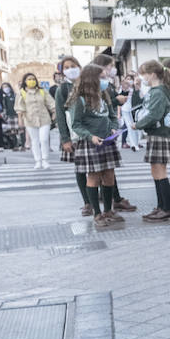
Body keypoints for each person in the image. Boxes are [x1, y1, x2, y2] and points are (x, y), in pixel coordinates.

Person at [69, 63, 124, 230]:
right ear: (91, 78)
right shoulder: (79, 99)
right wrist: (90, 136)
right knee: (94, 177)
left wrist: (114, 127)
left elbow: (112, 116)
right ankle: (97, 214)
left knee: (109, 176)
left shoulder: (103, 95)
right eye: (101, 77)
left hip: (107, 141)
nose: (105, 80)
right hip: (91, 143)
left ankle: (108, 211)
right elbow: (76, 124)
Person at [133, 59, 170, 222]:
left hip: (161, 135)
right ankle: (161, 206)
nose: (142, 78)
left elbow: (154, 114)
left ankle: (166, 208)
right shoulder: (158, 90)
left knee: (160, 172)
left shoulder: (159, 92)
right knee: (156, 171)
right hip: (157, 134)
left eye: (143, 74)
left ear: (152, 74)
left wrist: (137, 125)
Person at [93, 54, 137, 212]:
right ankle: (104, 204)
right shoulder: (96, 85)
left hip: (108, 129)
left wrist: (121, 95)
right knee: (100, 170)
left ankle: (114, 199)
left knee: (109, 168)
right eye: (110, 66)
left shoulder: (107, 84)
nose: (112, 69)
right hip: (98, 132)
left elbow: (109, 103)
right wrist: (117, 99)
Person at [55, 57, 95, 217]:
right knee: (80, 169)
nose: (70, 69)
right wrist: (65, 139)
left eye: (73, 66)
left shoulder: (88, 84)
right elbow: (60, 114)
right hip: (75, 134)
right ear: (62, 71)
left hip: (93, 131)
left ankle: (100, 197)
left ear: (79, 66)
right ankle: (87, 202)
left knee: (99, 168)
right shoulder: (63, 89)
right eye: (66, 67)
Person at [17, 73, 55, 169]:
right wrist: (20, 120)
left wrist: (54, 112)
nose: (31, 81)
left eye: (33, 79)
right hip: (30, 120)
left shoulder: (42, 91)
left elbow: (50, 102)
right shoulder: (22, 93)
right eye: (29, 79)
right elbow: (19, 107)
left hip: (44, 118)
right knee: (35, 141)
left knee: (44, 139)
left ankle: (45, 160)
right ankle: (38, 161)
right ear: (25, 81)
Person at [0, 81, 22, 150]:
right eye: (3, 87)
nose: (5, 89)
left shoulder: (15, 95)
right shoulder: (4, 98)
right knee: (12, 131)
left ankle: (23, 145)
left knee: (20, 130)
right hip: (9, 116)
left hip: (16, 115)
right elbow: (4, 107)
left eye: (6, 87)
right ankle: (15, 145)